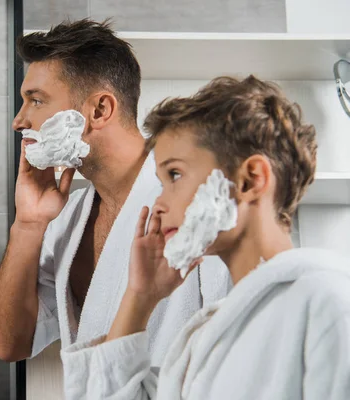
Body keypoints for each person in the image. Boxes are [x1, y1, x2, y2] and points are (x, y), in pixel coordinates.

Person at [61, 75, 350, 399]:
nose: (158, 202)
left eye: (175, 175)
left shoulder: (329, 303)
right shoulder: (199, 341)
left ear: (250, 180)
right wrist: (140, 297)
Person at [0, 19, 230, 364]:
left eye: (36, 100)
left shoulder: (198, 201)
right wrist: (27, 224)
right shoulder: (66, 218)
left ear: (99, 110)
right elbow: (11, 345)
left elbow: (246, 348)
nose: (19, 120)